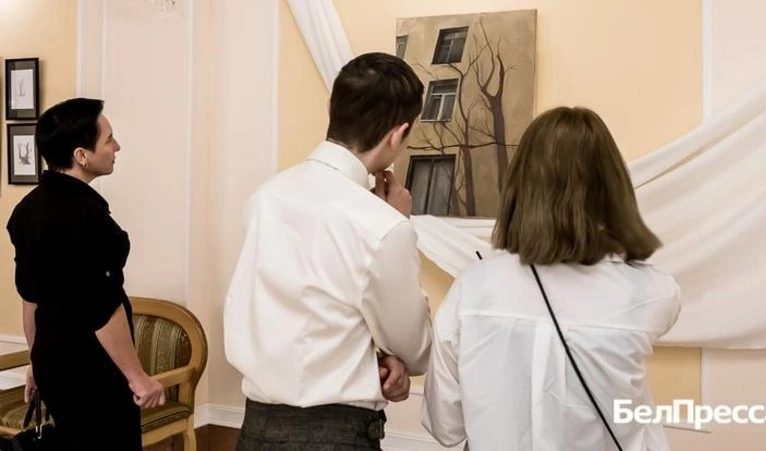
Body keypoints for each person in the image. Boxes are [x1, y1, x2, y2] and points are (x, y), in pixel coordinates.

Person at [421, 106, 682, 450]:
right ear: (613, 188)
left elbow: (446, 428)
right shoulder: (654, 292)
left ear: (520, 186)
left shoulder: (473, 288)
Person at [224, 52, 432, 450]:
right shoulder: (383, 226)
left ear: (331, 107)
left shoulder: (264, 199)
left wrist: (366, 357)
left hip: (255, 431)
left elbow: (297, 316)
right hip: (336, 436)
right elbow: (416, 350)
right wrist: (396, 221)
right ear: (398, 134)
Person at [6, 98, 166, 451]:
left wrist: (36, 360)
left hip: (53, 362)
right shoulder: (86, 218)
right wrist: (137, 377)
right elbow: (102, 309)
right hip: (92, 367)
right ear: (81, 155)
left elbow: (30, 298)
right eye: (108, 139)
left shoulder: (26, 210)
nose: (116, 147)